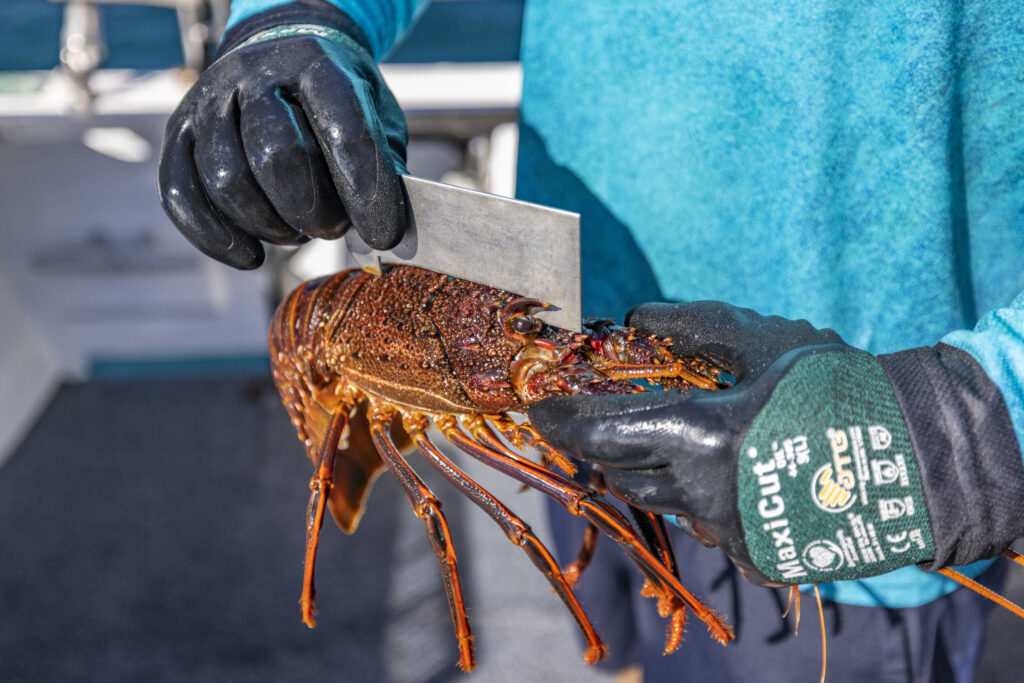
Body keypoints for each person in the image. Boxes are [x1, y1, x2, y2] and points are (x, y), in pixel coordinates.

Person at [158, 1, 1024, 680]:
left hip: (848, 425)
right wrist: (298, 16)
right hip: (577, 351)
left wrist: (971, 427)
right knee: (617, 601)